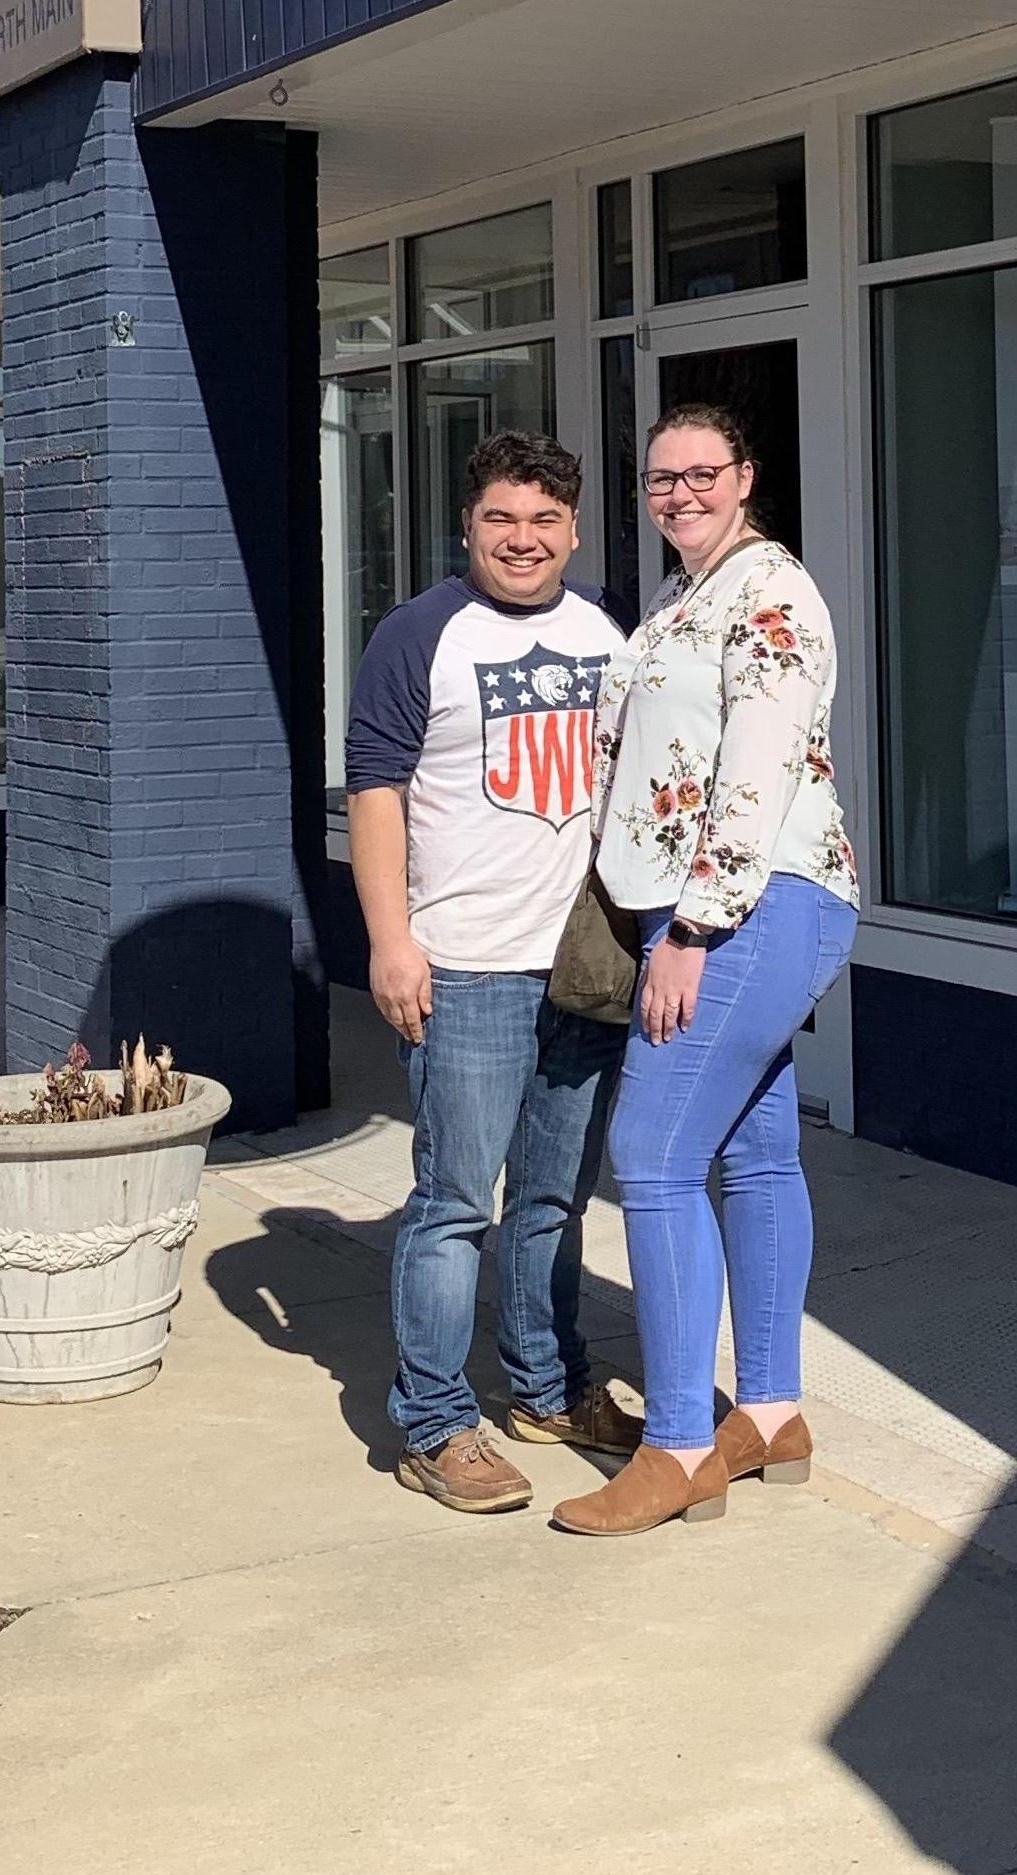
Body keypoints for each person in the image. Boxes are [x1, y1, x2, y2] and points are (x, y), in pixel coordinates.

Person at [553, 403, 858, 1537]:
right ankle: (771, 1414)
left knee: (652, 1155)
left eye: (701, 472)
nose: (679, 492)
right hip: (713, 909)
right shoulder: (686, 596)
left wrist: (692, 929)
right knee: (755, 1152)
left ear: (745, 477)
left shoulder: (770, 593)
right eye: (660, 478)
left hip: (746, 908)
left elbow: (758, 772)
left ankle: (680, 1442)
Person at [345, 430, 641, 1515]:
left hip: (583, 965)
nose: (524, 539)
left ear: (573, 529)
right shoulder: (419, 634)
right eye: (501, 519)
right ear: (466, 525)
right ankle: (433, 1422)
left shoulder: (607, 622)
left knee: (554, 1199)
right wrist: (391, 941)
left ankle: (547, 1389)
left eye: (544, 520)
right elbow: (374, 791)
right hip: (464, 964)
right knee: (456, 1204)